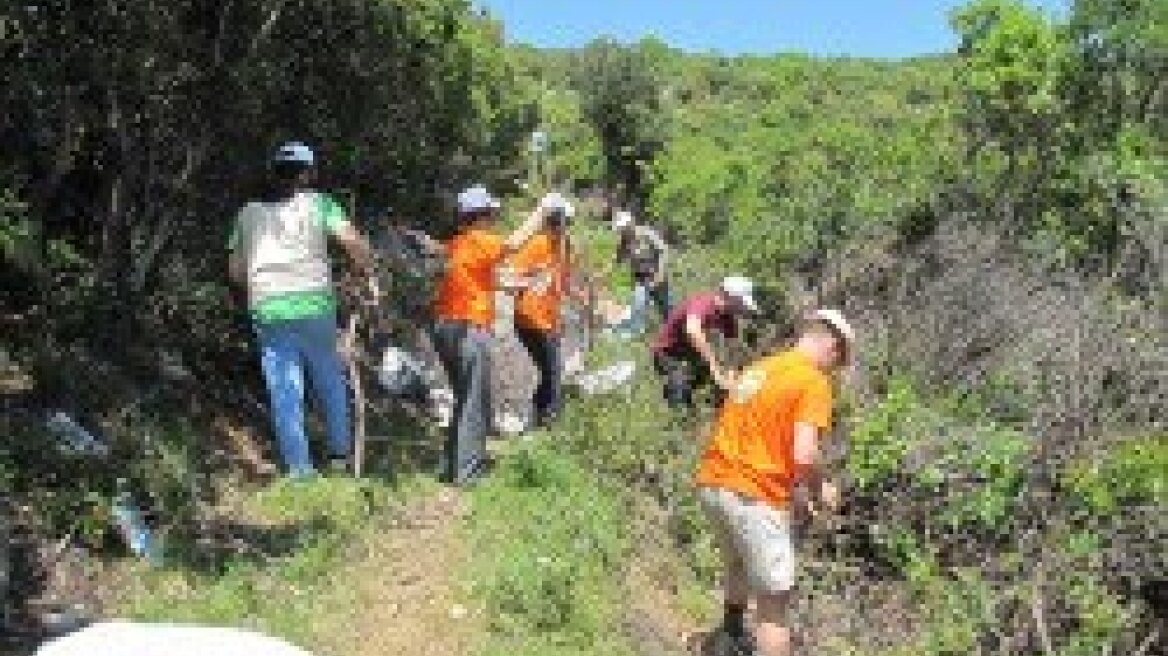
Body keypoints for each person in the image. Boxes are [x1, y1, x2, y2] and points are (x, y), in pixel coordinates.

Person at [692, 309, 855, 656]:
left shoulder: (760, 369)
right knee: (773, 604)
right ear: (831, 345)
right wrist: (818, 488)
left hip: (714, 484)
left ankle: (729, 640)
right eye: (840, 357)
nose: (836, 367)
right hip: (754, 497)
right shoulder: (812, 381)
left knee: (737, 564)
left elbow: (762, 439)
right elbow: (804, 455)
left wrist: (793, 490)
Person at [228, 142, 374, 478]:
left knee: (284, 390)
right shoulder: (319, 203)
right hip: (314, 304)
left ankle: (300, 470)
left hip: (267, 307)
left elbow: (236, 273)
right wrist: (366, 267)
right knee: (329, 378)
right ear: (307, 174)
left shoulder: (247, 214)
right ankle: (339, 458)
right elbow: (351, 241)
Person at [430, 185, 556, 486]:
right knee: (475, 401)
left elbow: (490, 281)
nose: (494, 220)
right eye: (491, 214)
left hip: (445, 327)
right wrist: (542, 210)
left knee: (464, 398)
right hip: (468, 330)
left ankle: (451, 465)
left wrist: (526, 282)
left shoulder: (458, 244)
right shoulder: (479, 239)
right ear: (481, 216)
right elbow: (513, 243)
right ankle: (469, 474)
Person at [506, 193, 586, 428]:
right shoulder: (536, 244)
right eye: (562, 222)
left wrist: (580, 296)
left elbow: (564, 282)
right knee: (553, 373)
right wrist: (530, 280)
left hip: (548, 320)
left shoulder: (565, 248)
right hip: (529, 319)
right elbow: (513, 276)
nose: (564, 228)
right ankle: (549, 423)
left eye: (566, 223)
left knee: (550, 373)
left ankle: (536, 420)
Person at [650, 276, 759, 409]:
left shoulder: (728, 316)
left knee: (707, 383)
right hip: (666, 352)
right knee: (681, 391)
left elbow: (733, 347)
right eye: (741, 304)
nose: (743, 309)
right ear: (731, 297)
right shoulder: (704, 302)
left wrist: (731, 373)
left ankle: (703, 408)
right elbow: (692, 329)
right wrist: (714, 368)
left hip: (688, 351)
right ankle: (682, 418)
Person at [612, 210, 671, 335]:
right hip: (640, 278)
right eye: (621, 229)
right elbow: (618, 260)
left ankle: (673, 333)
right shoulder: (625, 240)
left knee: (666, 309)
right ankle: (639, 332)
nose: (623, 231)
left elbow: (663, 251)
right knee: (639, 305)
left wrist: (660, 273)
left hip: (656, 275)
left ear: (631, 223)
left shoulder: (647, 234)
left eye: (625, 228)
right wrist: (602, 273)